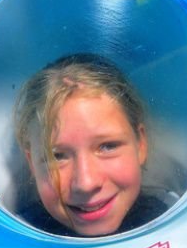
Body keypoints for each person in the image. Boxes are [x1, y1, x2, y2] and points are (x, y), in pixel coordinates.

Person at [13, 53, 169, 237]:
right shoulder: (13, 239)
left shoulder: (172, 221)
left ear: (140, 144)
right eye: (57, 156)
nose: (86, 184)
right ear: (31, 163)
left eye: (108, 146)